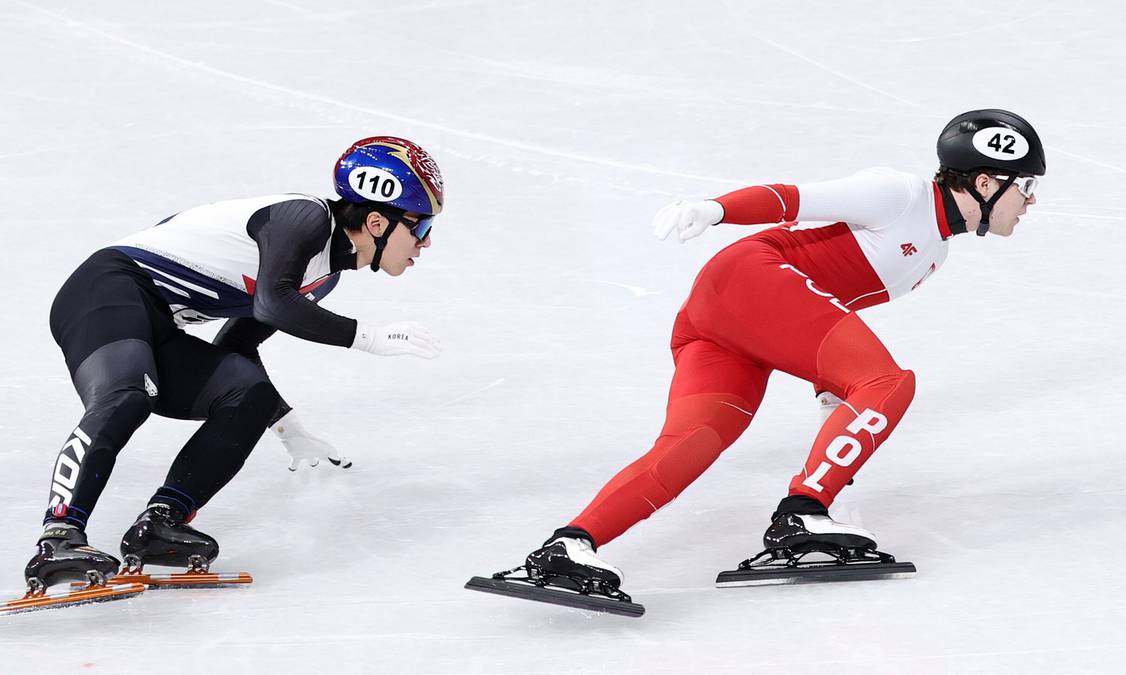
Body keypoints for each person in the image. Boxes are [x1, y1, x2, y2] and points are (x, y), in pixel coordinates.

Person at [516, 109, 1045, 596]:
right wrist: (718, 208)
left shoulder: (934, 253)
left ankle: (569, 544)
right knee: (888, 382)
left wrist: (831, 392)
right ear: (984, 181)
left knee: (694, 440)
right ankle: (803, 512)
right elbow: (795, 198)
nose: (1031, 201)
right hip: (753, 278)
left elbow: (829, 307)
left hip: (729, 317)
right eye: (1025, 186)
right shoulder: (901, 194)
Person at [24, 136, 445, 595]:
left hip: (156, 323)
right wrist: (368, 338)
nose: (424, 244)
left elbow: (240, 343)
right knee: (126, 395)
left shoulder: (323, 277)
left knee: (250, 395)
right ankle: (59, 535)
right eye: (420, 228)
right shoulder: (303, 218)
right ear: (378, 220)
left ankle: (161, 523)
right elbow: (273, 304)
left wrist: (290, 430)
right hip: (106, 291)